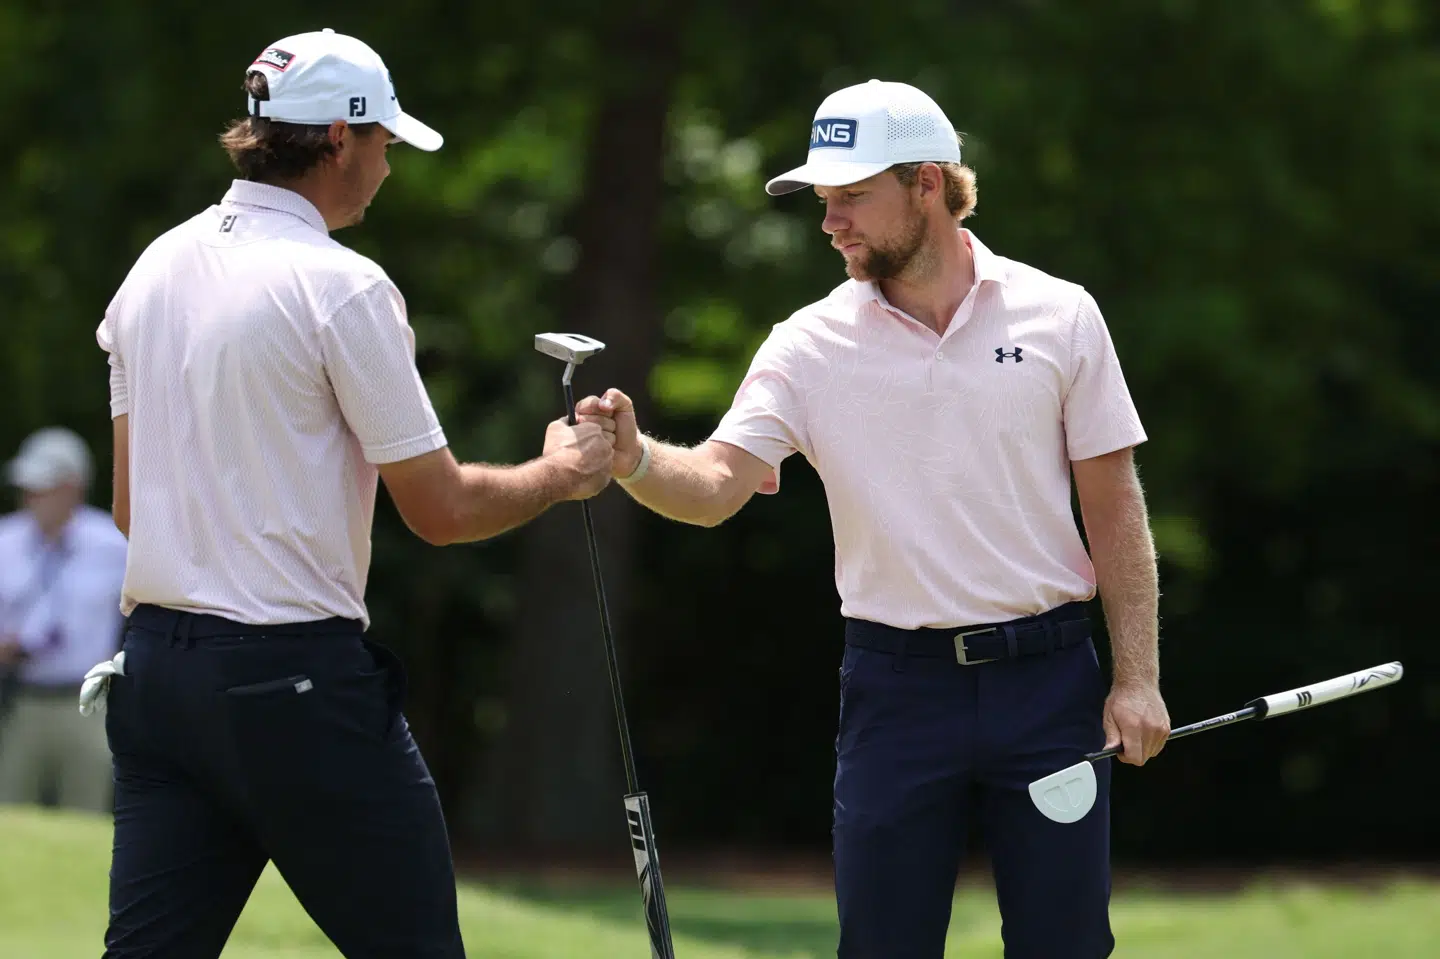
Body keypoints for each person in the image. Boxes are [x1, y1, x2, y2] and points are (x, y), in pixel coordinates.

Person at [579, 79, 1171, 958]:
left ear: (927, 183)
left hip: (1047, 685)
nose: (831, 222)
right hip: (898, 691)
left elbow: (1113, 502)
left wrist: (1136, 678)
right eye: (823, 202)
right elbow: (712, 485)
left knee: (1066, 944)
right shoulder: (809, 343)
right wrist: (634, 458)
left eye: (851, 196)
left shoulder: (1061, 314)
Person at [91, 28, 615, 959]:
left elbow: (134, 512)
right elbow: (441, 509)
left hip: (157, 681)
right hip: (290, 683)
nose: (387, 166)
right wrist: (563, 474)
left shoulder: (151, 271)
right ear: (340, 138)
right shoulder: (342, 286)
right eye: (384, 145)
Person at [0, 427, 128, 812]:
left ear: (73, 487)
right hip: (22, 701)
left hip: (88, 703)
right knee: (11, 815)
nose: (31, 498)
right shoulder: (5, 540)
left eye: (42, 488)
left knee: (86, 814)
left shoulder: (112, 542)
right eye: (28, 488)